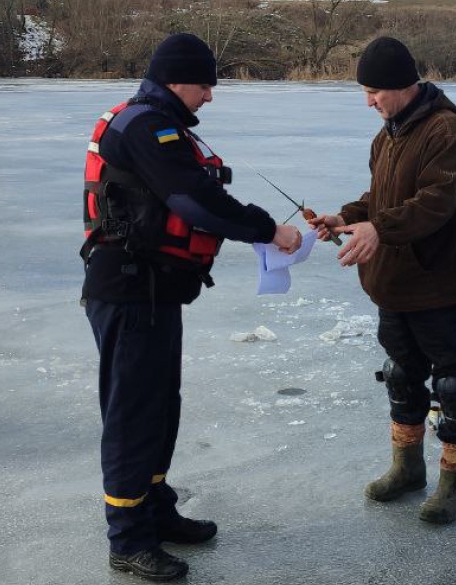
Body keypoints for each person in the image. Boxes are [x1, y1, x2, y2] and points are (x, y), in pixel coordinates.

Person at [80, 33, 301, 581]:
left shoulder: (158, 123)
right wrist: (270, 230)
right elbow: (194, 201)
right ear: (177, 79)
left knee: (161, 406)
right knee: (133, 415)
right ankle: (127, 538)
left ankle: (154, 511)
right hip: (129, 292)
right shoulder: (146, 127)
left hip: (152, 292)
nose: (209, 96)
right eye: (205, 85)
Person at [308, 36, 456, 524]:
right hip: (392, 284)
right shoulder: (387, 134)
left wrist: (377, 228)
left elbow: (433, 205)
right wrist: (345, 218)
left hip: (438, 285)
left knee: (453, 385)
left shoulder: (446, 132)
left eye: (373, 91)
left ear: (400, 85)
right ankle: (407, 470)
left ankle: (455, 483)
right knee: (403, 377)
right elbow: (381, 197)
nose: (368, 102)